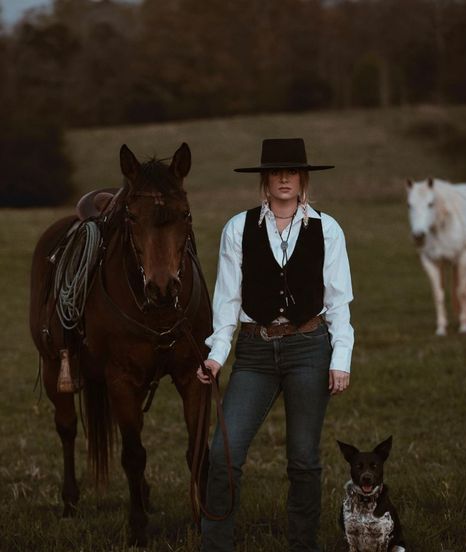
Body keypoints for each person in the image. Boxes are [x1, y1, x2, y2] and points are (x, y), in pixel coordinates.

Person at [197, 138, 354, 552]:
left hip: (309, 348)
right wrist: (216, 355)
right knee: (222, 454)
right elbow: (227, 299)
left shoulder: (327, 228)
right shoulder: (238, 227)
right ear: (264, 181)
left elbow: (338, 301)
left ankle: (302, 545)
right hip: (254, 352)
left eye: (292, 172)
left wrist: (341, 359)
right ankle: (215, 546)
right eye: (276, 172)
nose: (284, 179)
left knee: (303, 460)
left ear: (303, 180)